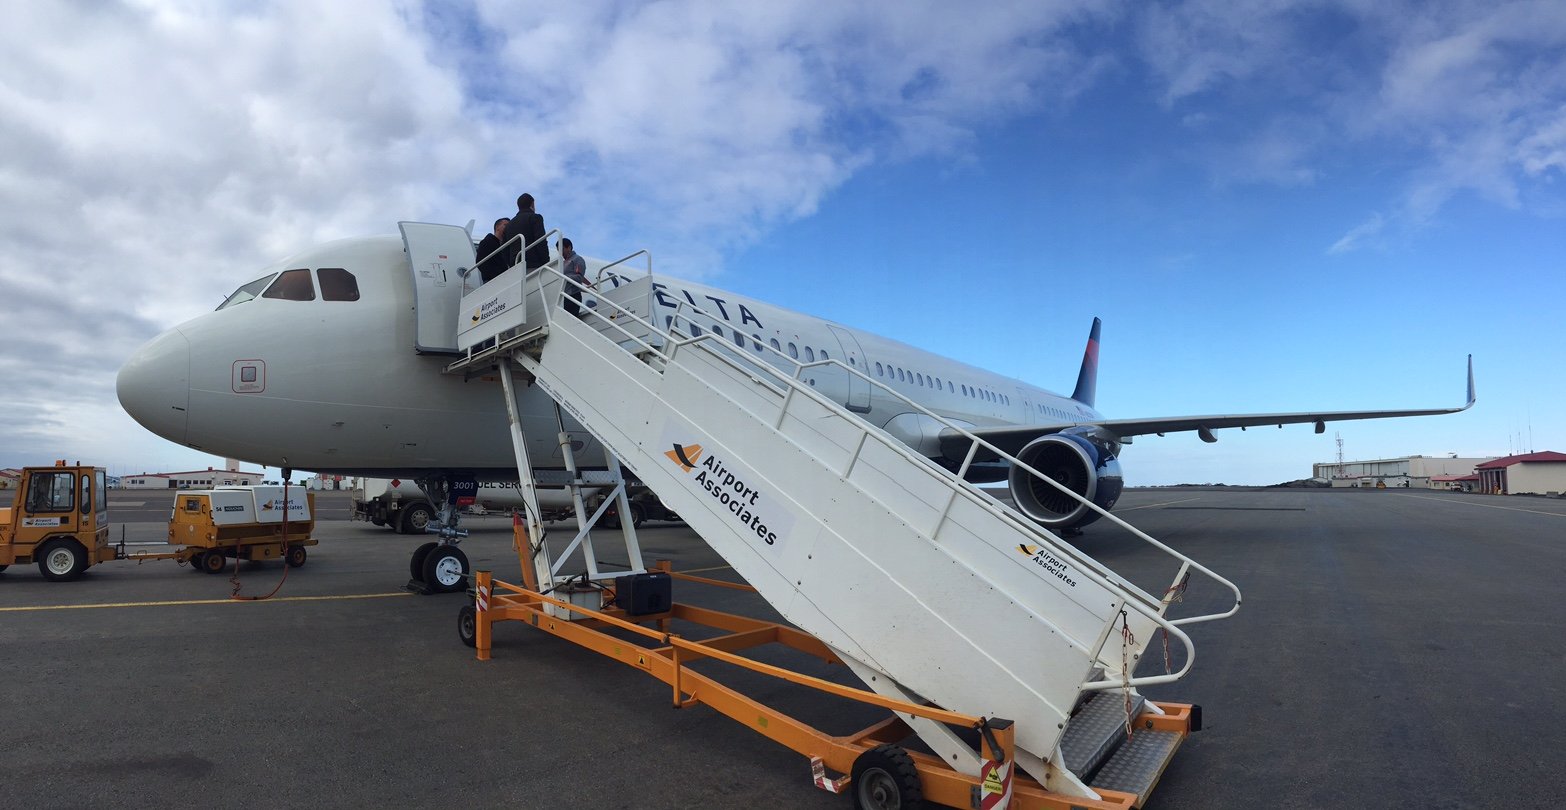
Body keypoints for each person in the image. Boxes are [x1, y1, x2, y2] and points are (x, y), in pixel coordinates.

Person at [502, 193, 548, 271]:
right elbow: (541, 241)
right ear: (532, 204)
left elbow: (504, 249)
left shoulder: (508, 225)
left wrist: (511, 264)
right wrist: (546, 261)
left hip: (515, 267)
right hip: (533, 264)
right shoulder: (535, 217)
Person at [560, 237, 590, 317]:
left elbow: (579, 277)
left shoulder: (577, 259)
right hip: (566, 295)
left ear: (569, 247)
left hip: (574, 294)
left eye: (562, 249)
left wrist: (564, 277)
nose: (560, 253)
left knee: (571, 318)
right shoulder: (563, 263)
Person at [475, 217, 510, 284]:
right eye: (505, 225)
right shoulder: (487, 242)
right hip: (491, 280)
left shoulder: (505, 245)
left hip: (503, 279)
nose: (508, 228)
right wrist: (494, 275)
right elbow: (480, 261)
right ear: (497, 227)